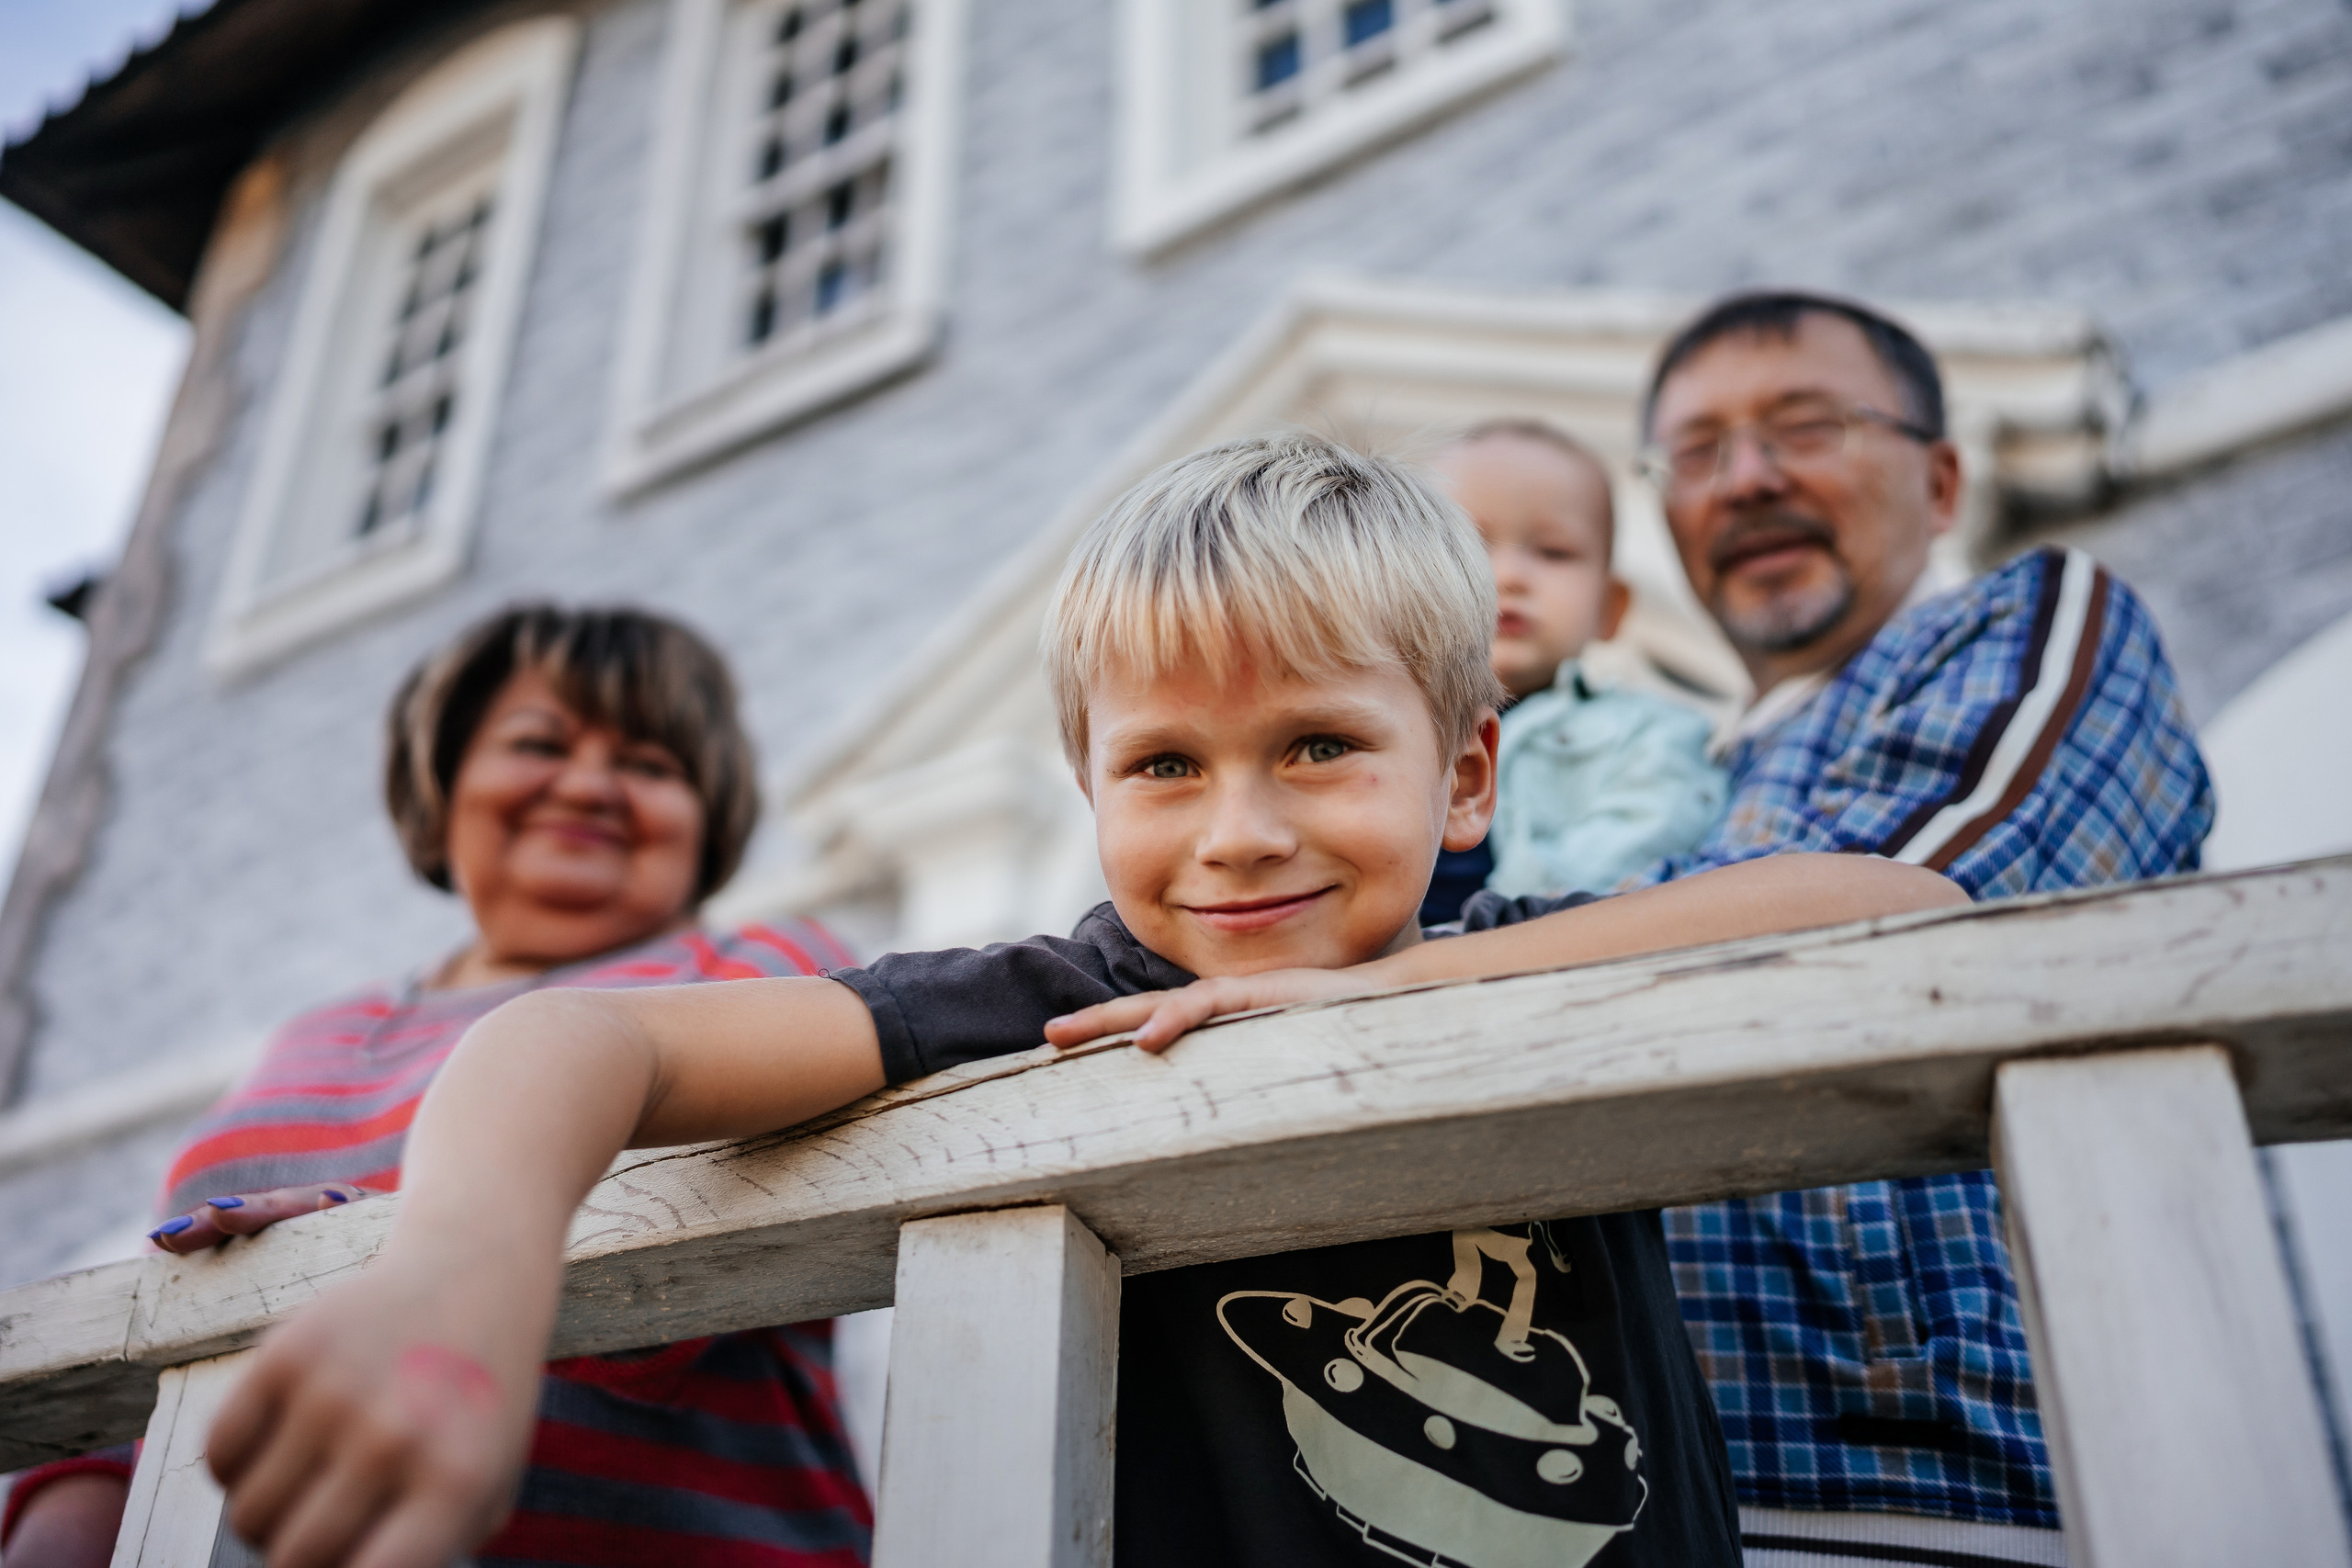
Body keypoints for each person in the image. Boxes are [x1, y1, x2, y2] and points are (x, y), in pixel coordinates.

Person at [185, 433, 1968, 1568]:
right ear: (1090, 785)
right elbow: (591, 1035)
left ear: (1469, 775)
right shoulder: (1044, 995)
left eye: (1322, 745)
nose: (1240, 831)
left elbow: (1899, 900)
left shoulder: (1558, 957)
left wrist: (1417, 992)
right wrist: (460, 1268)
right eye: (1165, 765)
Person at [0, 606, 875, 1568]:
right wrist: (68, 1509)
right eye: (539, 743)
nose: (588, 784)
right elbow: (161, 1340)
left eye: (650, 765)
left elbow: (712, 1233)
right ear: (444, 785)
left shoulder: (772, 962)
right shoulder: (309, 1035)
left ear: (708, 815)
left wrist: (369, 1247)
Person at [1624, 292, 2213, 1566]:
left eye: (1807, 425)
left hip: (1971, 1505)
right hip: (1647, 1504)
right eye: (1698, 452)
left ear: (1942, 479)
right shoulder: (1648, 785)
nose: (1749, 479)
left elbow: (1913, 906)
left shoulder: (2031, 623)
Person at [1430, 421, 1724, 904]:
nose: (1508, 576)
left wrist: (1511, 909)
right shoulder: (1372, 724)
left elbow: (1651, 829)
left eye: (1554, 552)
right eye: (1468, 546)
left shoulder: (1649, 735)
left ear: (1610, 609)